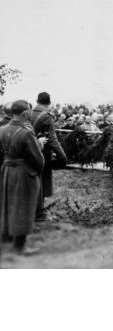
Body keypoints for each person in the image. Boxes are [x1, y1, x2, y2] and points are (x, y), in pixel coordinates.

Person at [0, 100, 45, 255]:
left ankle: (5, 238)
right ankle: (20, 245)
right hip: (23, 172)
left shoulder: (2, 129)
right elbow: (38, 159)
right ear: (25, 113)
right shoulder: (26, 132)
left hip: (6, 170)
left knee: (7, 204)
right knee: (23, 207)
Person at [29, 92, 67, 222]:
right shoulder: (47, 116)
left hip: (29, 151)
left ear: (37, 100)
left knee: (33, 180)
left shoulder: (28, 112)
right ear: (49, 103)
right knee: (42, 182)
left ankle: (32, 209)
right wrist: (62, 156)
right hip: (42, 153)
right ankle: (38, 213)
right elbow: (52, 139)